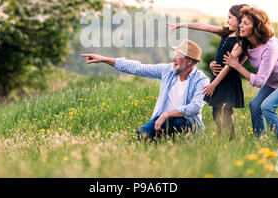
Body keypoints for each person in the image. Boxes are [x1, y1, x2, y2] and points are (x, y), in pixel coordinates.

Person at [81, 39, 210, 139]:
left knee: (177, 120)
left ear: (189, 61)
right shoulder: (168, 71)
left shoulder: (201, 80)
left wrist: (166, 115)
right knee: (142, 134)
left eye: (178, 56)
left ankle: (181, 142)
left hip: (187, 124)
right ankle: (163, 139)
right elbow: (138, 68)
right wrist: (104, 59)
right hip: (162, 120)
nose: (173, 59)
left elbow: (195, 107)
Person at [223, 6, 278, 141]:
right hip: (275, 79)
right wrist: (215, 65)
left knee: (267, 106)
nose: (240, 25)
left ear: (256, 27)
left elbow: (258, 81)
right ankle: (260, 141)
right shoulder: (247, 42)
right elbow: (234, 58)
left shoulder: (270, 47)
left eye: (245, 23)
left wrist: (237, 66)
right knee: (254, 105)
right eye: (241, 21)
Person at [167, 4, 246, 139]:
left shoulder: (241, 40)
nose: (227, 21)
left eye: (230, 18)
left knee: (226, 111)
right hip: (217, 76)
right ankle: (223, 137)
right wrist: (181, 25)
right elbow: (204, 26)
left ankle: (230, 139)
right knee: (216, 111)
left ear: (240, 19)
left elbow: (229, 65)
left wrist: (213, 84)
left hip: (228, 79)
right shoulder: (226, 32)